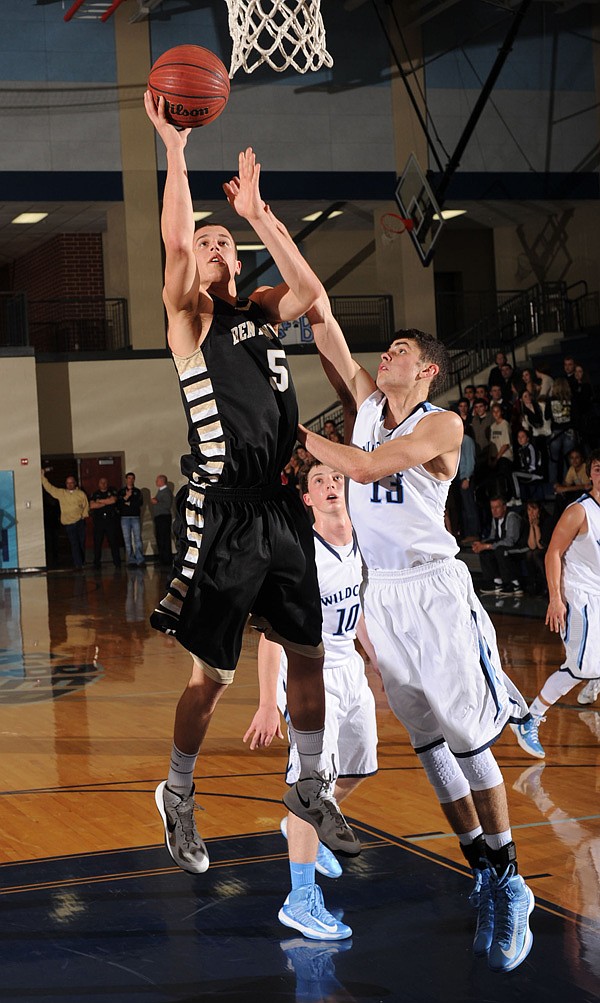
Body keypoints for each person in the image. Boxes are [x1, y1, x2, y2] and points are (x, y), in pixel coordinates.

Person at [143, 91, 359, 884]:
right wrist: (174, 150)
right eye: (202, 240)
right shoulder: (189, 317)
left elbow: (310, 294)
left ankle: (310, 782)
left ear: (235, 260)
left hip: (279, 504)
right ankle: (178, 788)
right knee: (216, 676)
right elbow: (173, 244)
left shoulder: (263, 308)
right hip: (223, 510)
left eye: (219, 240)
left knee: (309, 653)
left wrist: (261, 218)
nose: (207, 244)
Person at [299, 293, 535, 973]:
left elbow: (369, 467)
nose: (387, 356)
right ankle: (482, 872)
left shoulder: (444, 424)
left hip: (435, 591)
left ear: (428, 370)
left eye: (402, 351)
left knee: (465, 740)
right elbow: (324, 323)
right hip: (387, 595)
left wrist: (298, 432)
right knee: (428, 739)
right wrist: (268, 226)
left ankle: (512, 878)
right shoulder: (370, 406)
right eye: (388, 350)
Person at [244, 460, 378, 941]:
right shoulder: (301, 555)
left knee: (360, 769)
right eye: (318, 481)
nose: (328, 485)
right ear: (306, 499)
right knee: (310, 786)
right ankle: (299, 900)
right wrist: (266, 703)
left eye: (335, 478)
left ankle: (303, 820)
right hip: (308, 674)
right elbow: (270, 637)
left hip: (351, 672)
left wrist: (375, 657)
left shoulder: (361, 539)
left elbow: (354, 606)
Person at [511, 450, 600, 759]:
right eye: (598, 468)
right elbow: (552, 553)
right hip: (579, 596)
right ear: (590, 472)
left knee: (590, 664)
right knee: (581, 665)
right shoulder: (580, 511)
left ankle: (594, 678)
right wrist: (555, 598)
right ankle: (529, 719)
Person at [472, 496, 523, 596]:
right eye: (492, 508)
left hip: (518, 546)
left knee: (500, 551)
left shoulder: (511, 517)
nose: (494, 511)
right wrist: (481, 544)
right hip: (503, 545)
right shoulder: (495, 519)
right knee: (485, 551)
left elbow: (511, 541)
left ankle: (515, 584)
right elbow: (493, 536)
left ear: (504, 507)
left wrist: (487, 546)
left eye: (497, 507)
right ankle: (497, 582)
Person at [41, 469, 89, 569]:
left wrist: (84, 516)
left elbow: (86, 506)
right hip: (69, 524)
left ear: (75, 483)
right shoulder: (61, 493)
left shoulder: (81, 494)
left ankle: (82, 561)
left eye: (71, 483)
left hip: (80, 522)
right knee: (74, 543)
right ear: (66, 484)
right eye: (68, 483)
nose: (70, 484)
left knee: (81, 543)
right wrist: (42, 477)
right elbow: (50, 488)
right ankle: (78, 564)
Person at [521, 500, 553, 596]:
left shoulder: (547, 520)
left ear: (539, 510)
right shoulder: (526, 521)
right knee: (529, 554)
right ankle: (534, 584)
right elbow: (532, 545)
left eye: (534, 509)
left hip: (548, 548)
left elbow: (541, 545)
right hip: (537, 550)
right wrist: (532, 526)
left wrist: (537, 526)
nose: (531, 513)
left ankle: (546, 585)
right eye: (529, 510)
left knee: (536, 554)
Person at [89, 476, 121, 569]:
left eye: (105, 482)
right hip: (99, 522)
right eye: (101, 483)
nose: (103, 484)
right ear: (98, 484)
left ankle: (117, 562)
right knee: (97, 543)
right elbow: (92, 505)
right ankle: (96, 563)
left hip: (110, 521)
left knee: (113, 542)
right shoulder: (95, 494)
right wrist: (105, 502)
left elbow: (113, 500)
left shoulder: (112, 492)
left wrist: (99, 502)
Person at [117, 472, 145, 567]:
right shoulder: (121, 492)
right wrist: (127, 497)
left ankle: (140, 559)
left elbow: (139, 503)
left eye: (132, 478)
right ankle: (131, 560)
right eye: (129, 478)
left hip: (135, 517)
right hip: (124, 518)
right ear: (126, 479)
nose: (130, 480)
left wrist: (128, 503)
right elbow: (119, 504)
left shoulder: (137, 491)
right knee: (127, 540)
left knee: (137, 539)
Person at [511, 428, 543, 502]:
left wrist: (524, 471)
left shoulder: (530, 448)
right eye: (519, 437)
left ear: (528, 438)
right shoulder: (520, 449)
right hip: (526, 472)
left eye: (522, 436)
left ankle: (517, 497)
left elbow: (533, 466)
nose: (520, 439)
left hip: (534, 473)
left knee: (514, 474)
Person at [151, 474, 174, 566]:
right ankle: (162, 559)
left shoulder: (166, 491)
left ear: (162, 481)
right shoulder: (161, 491)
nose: (156, 482)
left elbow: (167, 505)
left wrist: (157, 502)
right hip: (159, 517)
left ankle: (166, 559)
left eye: (157, 480)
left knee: (164, 538)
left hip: (163, 517)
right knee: (160, 538)